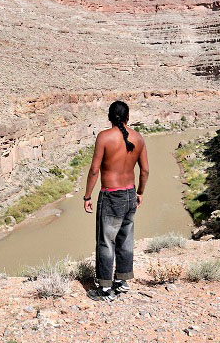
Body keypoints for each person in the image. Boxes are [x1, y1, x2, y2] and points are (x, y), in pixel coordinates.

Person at [83, 100, 149, 301]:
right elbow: (145, 170)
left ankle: (104, 288)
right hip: (130, 194)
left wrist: (87, 196)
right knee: (125, 239)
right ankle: (121, 280)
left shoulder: (104, 137)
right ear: (128, 117)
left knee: (106, 241)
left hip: (111, 195)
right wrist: (140, 192)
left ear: (110, 117)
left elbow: (95, 169)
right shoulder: (138, 138)